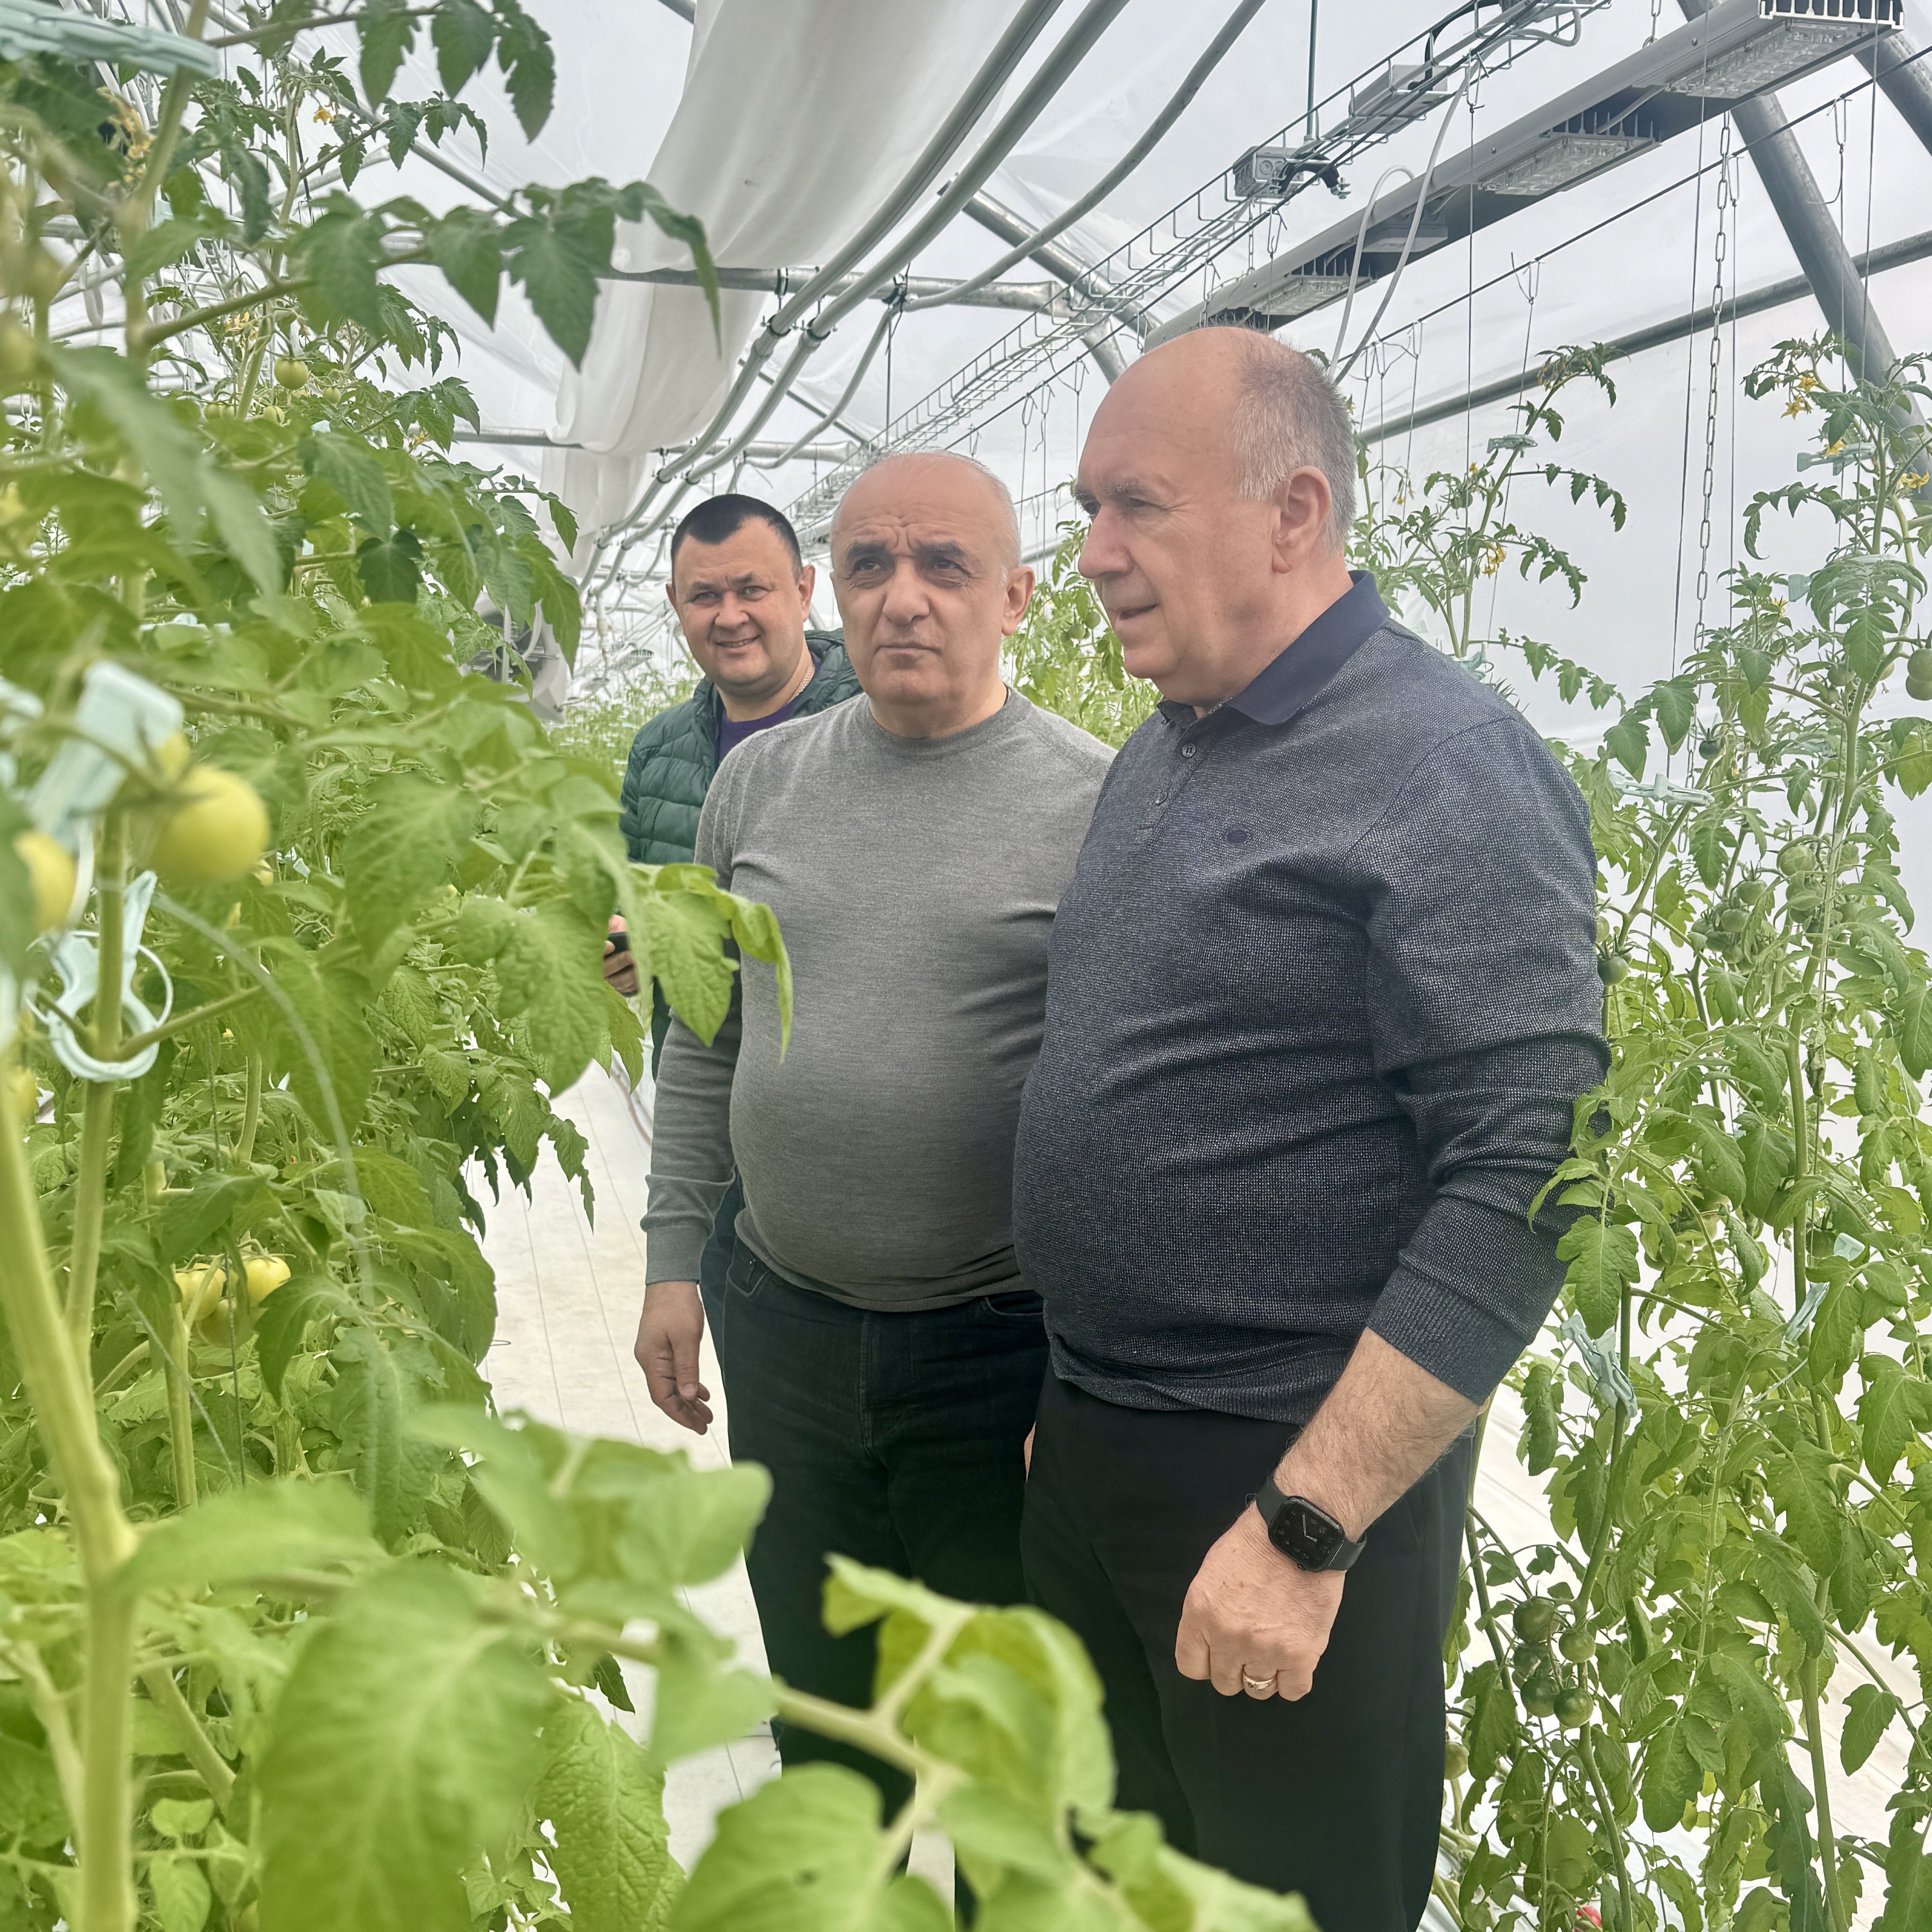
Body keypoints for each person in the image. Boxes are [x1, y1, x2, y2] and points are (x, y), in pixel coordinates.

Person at [1012, 328, 1608, 1932]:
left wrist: (1304, 1525)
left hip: (1278, 1473)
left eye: (1136, 505)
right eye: (1085, 509)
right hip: (1098, 1448)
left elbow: (1528, 1178)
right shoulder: (1166, 744)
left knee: (1278, 1903)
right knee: (1076, 1888)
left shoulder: (1445, 765)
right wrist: (1075, 1408)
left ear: (1293, 513)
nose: (1093, 554)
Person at [635, 452, 1113, 1815]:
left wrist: (1086, 1372)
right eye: (870, 566)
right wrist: (674, 1259)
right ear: (831, 594)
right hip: (781, 1329)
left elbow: (1123, 1110)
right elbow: (703, 1034)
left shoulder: (1096, 804)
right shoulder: (757, 786)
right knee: (830, 1719)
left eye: (945, 565)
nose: (904, 597)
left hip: (994, 1355)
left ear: (1016, 596)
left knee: (1001, 1753)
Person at [607, 494, 860, 1349]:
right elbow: (639, 898)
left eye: (752, 589)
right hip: (714, 1125)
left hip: (844, 1125)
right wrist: (626, 942)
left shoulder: (877, 714)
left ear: (804, 590)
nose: (730, 616)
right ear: (676, 606)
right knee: (758, 1373)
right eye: (704, 596)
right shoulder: (660, 750)